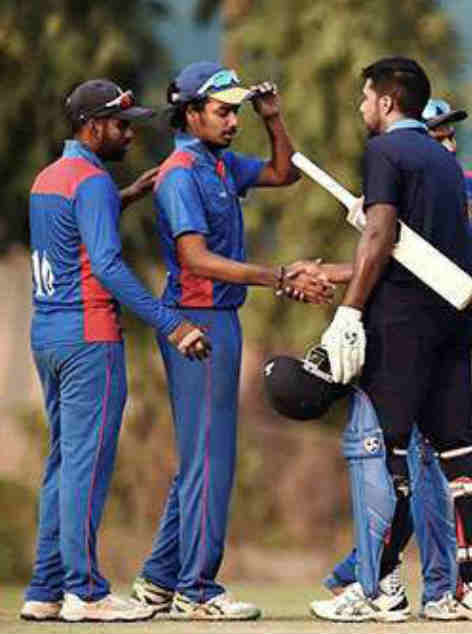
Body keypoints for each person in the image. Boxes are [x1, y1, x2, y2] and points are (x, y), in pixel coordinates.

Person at [127, 61, 334, 621]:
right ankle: (196, 590)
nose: (233, 121)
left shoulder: (217, 164)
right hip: (197, 324)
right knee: (209, 461)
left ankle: (158, 579)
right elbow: (195, 258)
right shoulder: (180, 175)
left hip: (221, 319)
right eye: (223, 111)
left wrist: (273, 119)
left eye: (236, 111)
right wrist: (279, 276)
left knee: (203, 456)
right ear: (191, 113)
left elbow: (284, 173)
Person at [308, 57, 472, 623]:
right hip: (453, 321)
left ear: (387, 102)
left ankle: (380, 588)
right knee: (458, 449)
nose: (362, 107)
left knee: (383, 451)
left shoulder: (385, 151)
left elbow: (380, 233)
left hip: (401, 322)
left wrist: (349, 311)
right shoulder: (449, 164)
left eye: (366, 97)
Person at [21, 79, 211, 623]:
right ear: (92, 126)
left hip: (49, 335)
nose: (130, 134)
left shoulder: (49, 178)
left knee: (63, 464)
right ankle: (85, 591)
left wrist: (123, 197)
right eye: (121, 125)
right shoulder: (93, 183)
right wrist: (172, 324)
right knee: (86, 467)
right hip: (89, 339)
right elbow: (105, 265)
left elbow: (70, 236)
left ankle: (45, 589)